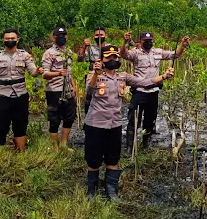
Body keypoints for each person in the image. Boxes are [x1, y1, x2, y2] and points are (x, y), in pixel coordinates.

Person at [85, 45, 174, 200]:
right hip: (96, 124)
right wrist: (96, 73)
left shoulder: (123, 76)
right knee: (93, 159)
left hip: (115, 124)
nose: (112, 60)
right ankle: (91, 191)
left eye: (115, 57)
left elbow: (144, 83)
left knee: (113, 158)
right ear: (102, 60)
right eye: (108, 57)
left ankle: (111, 190)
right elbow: (89, 92)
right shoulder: (93, 75)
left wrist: (164, 76)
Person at [0, 28, 44, 151]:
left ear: (17, 40)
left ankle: (21, 153)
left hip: (20, 94)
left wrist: (38, 71)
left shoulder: (25, 56)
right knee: (0, 126)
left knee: (21, 125)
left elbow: (33, 72)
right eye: (7, 38)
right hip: (2, 94)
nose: (10, 40)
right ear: (3, 40)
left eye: (12, 38)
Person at [120, 31, 189, 152]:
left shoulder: (157, 52)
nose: (148, 43)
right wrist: (125, 42)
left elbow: (175, 55)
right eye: (146, 41)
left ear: (153, 40)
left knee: (150, 120)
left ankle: (145, 145)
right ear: (140, 41)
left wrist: (182, 45)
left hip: (153, 91)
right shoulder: (135, 53)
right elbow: (123, 54)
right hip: (140, 90)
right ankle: (129, 148)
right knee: (133, 119)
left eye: (150, 40)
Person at [42, 26, 77, 149]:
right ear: (53, 37)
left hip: (68, 90)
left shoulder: (68, 51)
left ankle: (63, 144)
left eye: (63, 35)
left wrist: (73, 86)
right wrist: (58, 73)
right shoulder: (49, 53)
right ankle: (54, 147)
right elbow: (45, 74)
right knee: (54, 119)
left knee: (69, 117)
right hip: (54, 90)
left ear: (66, 36)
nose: (61, 38)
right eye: (58, 36)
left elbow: (69, 72)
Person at [78, 26, 107, 114]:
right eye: (96, 35)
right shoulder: (91, 48)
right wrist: (85, 46)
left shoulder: (110, 48)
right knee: (90, 99)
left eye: (101, 35)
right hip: (92, 76)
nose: (99, 37)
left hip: (106, 77)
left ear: (106, 36)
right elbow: (80, 59)